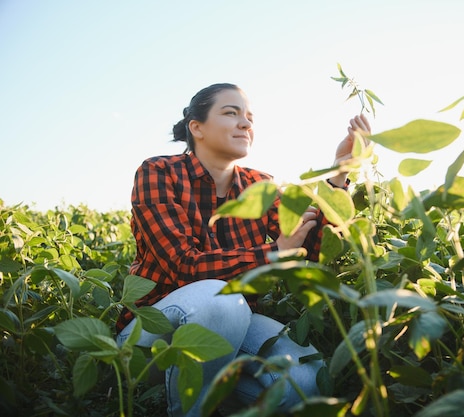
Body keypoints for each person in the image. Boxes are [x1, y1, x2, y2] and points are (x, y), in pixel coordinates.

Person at [115, 83, 371, 417]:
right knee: (221, 300)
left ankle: (209, 393)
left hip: (232, 333)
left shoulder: (259, 185)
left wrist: (340, 173)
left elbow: (310, 249)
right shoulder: (158, 172)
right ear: (197, 127)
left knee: (306, 380)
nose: (246, 123)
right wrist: (273, 253)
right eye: (231, 113)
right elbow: (183, 266)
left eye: (249, 116)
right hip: (152, 340)